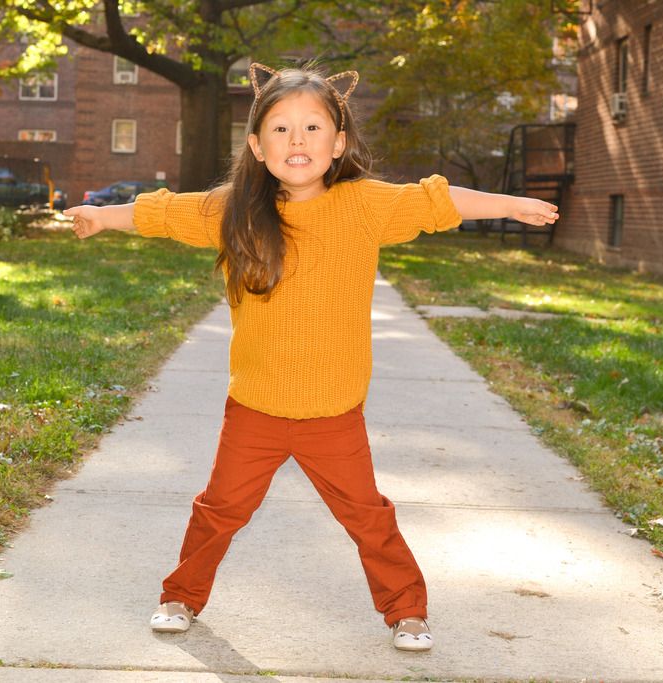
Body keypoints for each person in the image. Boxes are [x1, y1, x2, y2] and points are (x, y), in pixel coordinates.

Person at [63, 62, 558, 652]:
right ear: (256, 145)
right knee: (219, 510)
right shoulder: (236, 210)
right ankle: (180, 595)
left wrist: (510, 203)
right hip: (255, 409)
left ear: (339, 142)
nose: (297, 141)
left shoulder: (363, 206)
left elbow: (435, 202)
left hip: (334, 413)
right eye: (280, 129)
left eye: (313, 128)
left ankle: (406, 611)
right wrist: (102, 216)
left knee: (368, 518)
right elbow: (165, 213)